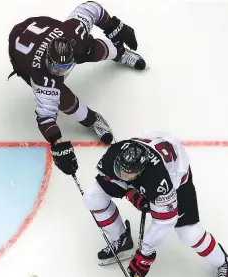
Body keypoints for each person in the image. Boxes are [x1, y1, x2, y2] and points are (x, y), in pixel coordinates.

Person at [83, 132, 228, 277]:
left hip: (177, 174)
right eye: (120, 170)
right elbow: (112, 178)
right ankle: (122, 240)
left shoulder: (160, 180)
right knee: (92, 196)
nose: (122, 176)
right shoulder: (114, 154)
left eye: (128, 175)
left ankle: (224, 262)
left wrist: (146, 253)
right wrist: (131, 194)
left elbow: (165, 221)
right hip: (154, 151)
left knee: (188, 233)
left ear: (140, 172)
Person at [8, 1, 146, 176]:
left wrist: (114, 27)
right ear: (48, 60)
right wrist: (57, 144)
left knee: (90, 49)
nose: (62, 72)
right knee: (63, 100)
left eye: (65, 67)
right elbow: (45, 117)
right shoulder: (41, 77)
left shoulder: (73, 34)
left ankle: (120, 53)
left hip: (43, 26)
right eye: (57, 67)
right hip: (21, 54)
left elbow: (90, 8)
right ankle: (92, 120)